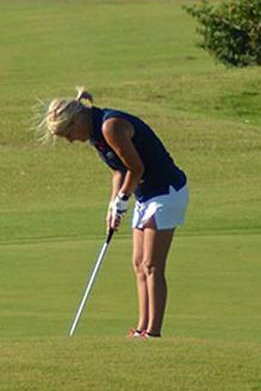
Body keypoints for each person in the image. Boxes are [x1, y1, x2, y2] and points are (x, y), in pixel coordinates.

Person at [38, 88, 188, 338]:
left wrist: (122, 199)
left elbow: (135, 168)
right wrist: (112, 206)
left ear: (77, 121)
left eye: (68, 133)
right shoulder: (96, 135)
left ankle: (153, 332)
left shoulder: (111, 126)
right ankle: (141, 328)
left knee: (152, 265)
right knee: (138, 264)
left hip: (166, 191)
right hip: (145, 194)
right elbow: (118, 171)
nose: (70, 140)